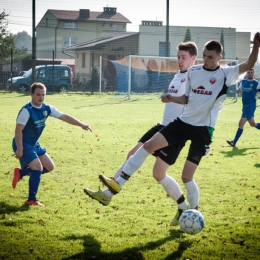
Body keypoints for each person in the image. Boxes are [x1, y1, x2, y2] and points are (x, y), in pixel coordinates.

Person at [90, 32, 260, 225]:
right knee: (147, 146)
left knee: (186, 176)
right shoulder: (194, 72)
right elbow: (186, 98)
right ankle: (117, 184)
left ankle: (193, 213)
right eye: (204, 55)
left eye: (210, 57)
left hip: (202, 130)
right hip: (183, 122)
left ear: (219, 58)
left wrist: (255, 46)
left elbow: (248, 64)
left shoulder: (225, 73)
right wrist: (172, 98)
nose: (206, 59)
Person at [84, 41, 199, 226]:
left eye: (183, 57)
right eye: (178, 57)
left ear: (194, 58)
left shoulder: (195, 76)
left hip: (176, 131)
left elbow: (192, 102)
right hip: (162, 125)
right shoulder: (179, 74)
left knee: (158, 173)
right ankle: (108, 194)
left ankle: (184, 206)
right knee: (132, 153)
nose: (180, 60)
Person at [12, 82, 92, 206]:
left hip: (34, 143)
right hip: (22, 143)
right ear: (31, 94)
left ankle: (21, 173)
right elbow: (18, 130)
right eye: (38, 94)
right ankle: (31, 200)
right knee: (37, 168)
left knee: (49, 167)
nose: (41, 97)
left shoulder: (46, 108)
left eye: (43, 95)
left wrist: (82, 124)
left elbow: (64, 116)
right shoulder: (26, 111)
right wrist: (20, 149)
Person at [226, 68, 260, 147]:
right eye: (248, 72)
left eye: (251, 73)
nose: (250, 74)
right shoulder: (243, 82)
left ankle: (233, 142)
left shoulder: (256, 83)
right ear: (246, 74)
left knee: (240, 123)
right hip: (244, 105)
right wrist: (238, 90)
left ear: (253, 74)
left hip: (250, 106)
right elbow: (239, 90)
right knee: (253, 123)